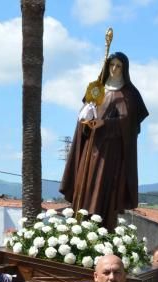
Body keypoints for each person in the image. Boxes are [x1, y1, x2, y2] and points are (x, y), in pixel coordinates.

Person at [60, 52, 148, 231]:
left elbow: (129, 123)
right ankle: (79, 226)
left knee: (104, 188)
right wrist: (87, 120)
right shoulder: (96, 88)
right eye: (112, 65)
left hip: (112, 152)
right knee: (85, 185)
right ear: (107, 66)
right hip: (91, 147)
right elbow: (85, 113)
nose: (114, 69)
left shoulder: (129, 93)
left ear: (124, 69)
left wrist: (105, 123)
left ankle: (102, 227)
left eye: (119, 66)